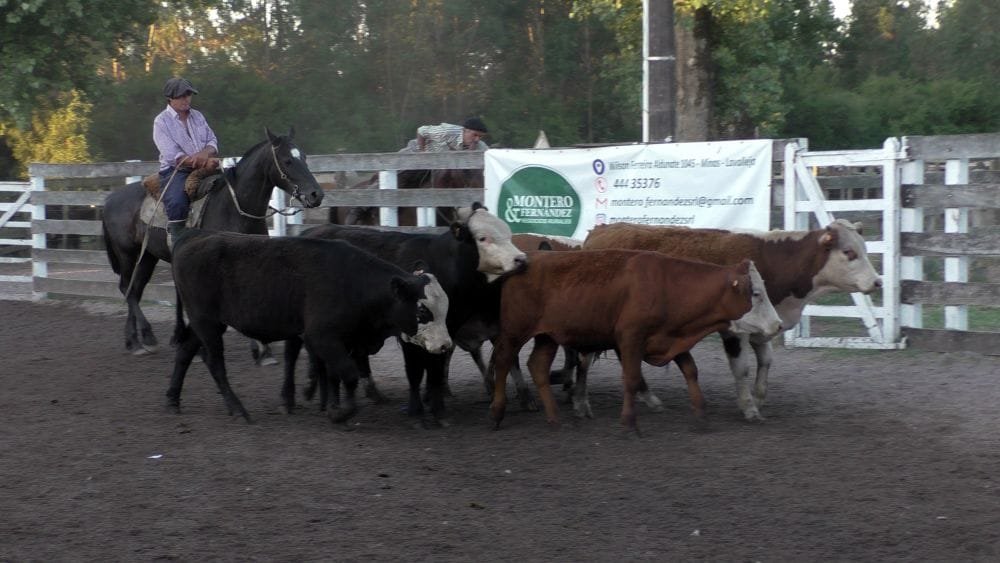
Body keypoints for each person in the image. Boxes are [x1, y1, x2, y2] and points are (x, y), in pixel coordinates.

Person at [153, 76, 219, 249]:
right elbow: (172, 155)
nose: (186, 99)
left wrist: (205, 153)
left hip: (206, 164)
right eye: (182, 95)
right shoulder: (161, 122)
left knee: (229, 185)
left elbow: (212, 140)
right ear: (170, 98)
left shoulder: (197, 116)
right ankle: (177, 241)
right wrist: (200, 161)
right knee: (176, 200)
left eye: (188, 94)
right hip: (176, 171)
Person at [415, 116, 489, 152]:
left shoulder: (480, 145)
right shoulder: (446, 131)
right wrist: (422, 154)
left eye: (480, 136)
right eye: (475, 135)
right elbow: (421, 131)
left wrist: (471, 152)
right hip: (430, 158)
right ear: (465, 130)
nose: (477, 139)